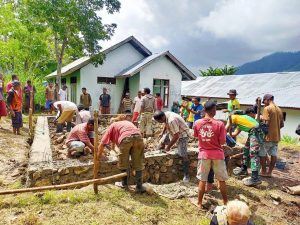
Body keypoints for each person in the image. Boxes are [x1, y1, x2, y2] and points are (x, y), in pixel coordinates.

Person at [193, 101, 228, 208]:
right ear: (213, 110)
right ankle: (226, 203)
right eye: (215, 109)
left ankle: (199, 203)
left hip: (204, 155)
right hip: (218, 155)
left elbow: (196, 136)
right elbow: (222, 142)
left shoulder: (197, 123)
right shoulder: (220, 124)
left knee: (202, 180)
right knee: (221, 180)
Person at [98, 118, 146, 193]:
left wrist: (98, 157)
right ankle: (139, 187)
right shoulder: (125, 123)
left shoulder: (112, 126)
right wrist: (113, 148)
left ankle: (124, 184)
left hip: (126, 139)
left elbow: (102, 143)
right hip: (139, 138)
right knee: (138, 163)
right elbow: (114, 141)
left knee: (123, 163)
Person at [227, 108, 263, 186]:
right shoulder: (241, 122)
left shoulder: (233, 117)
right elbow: (233, 134)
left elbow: (226, 127)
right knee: (246, 150)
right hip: (252, 133)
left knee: (254, 154)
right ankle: (243, 169)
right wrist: (229, 133)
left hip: (256, 132)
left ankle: (255, 177)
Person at [154, 111, 190, 182]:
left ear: (161, 118)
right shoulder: (165, 114)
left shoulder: (171, 120)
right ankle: (160, 153)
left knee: (183, 154)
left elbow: (176, 136)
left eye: (158, 121)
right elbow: (165, 123)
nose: (159, 123)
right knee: (162, 142)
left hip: (182, 135)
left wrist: (168, 147)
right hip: (172, 132)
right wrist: (162, 132)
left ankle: (186, 175)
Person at [260, 94, 284, 177]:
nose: (264, 103)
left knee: (262, 154)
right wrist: (275, 130)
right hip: (276, 137)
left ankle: (263, 172)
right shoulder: (279, 109)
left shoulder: (267, 108)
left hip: (267, 137)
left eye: (264, 101)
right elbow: (282, 124)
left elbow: (265, 124)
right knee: (273, 154)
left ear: (268, 99)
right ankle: (269, 172)